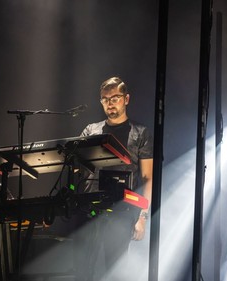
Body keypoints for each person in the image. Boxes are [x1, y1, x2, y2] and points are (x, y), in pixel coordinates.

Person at [73, 76, 153, 281]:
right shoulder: (91, 130)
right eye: (104, 99)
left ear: (126, 99)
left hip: (122, 211)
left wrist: (142, 217)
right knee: (82, 271)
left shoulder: (140, 133)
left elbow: (147, 177)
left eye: (115, 98)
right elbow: (77, 169)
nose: (109, 103)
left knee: (115, 272)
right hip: (89, 210)